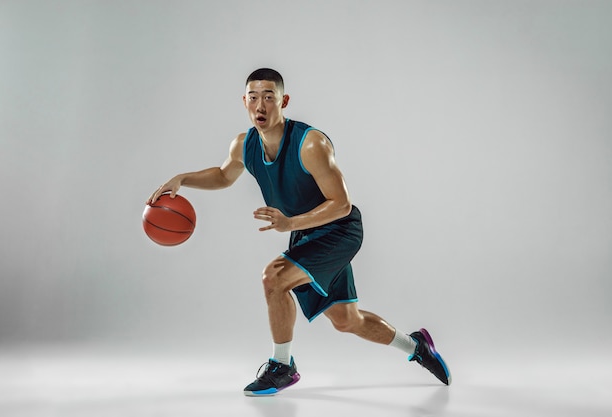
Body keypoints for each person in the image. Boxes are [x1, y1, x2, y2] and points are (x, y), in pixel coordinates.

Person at [147, 68, 451, 396]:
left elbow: (342, 204)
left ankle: (282, 366)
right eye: (253, 98)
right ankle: (416, 345)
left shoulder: (310, 144)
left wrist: (289, 223)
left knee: (274, 278)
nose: (260, 106)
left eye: (268, 97)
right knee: (347, 320)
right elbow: (223, 175)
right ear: (244, 102)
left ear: (284, 100)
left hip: (339, 230)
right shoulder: (243, 145)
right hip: (307, 234)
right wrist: (183, 178)